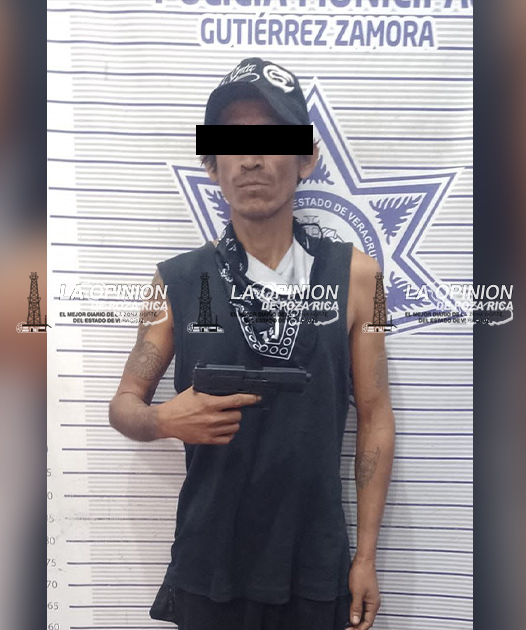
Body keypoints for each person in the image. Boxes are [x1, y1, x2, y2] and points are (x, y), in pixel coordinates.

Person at [108, 58, 396, 630]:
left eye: (271, 140)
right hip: (210, 563)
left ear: (306, 158)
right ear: (211, 165)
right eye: (232, 144)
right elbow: (123, 405)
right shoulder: (176, 281)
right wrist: (163, 420)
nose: (252, 159)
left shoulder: (360, 278)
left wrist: (365, 557)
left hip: (313, 564)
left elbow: (375, 416)